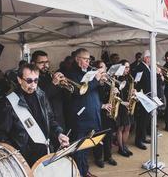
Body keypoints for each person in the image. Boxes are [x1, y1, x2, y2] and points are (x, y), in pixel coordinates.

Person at [0, 63, 69, 166]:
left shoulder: (41, 95)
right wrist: (15, 156)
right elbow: (0, 134)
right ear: (19, 80)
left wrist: (59, 133)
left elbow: (50, 120)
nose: (33, 85)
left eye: (36, 80)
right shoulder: (8, 102)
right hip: (24, 158)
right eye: (29, 81)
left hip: (45, 152)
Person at [66, 48, 103, 177]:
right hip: (81, 118)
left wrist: (102, 82)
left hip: (92, 115)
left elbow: (94, 91)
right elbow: (79, 91)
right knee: (79, 150)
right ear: (77, 59)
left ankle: (85, 170)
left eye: (89, 60)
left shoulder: (89, 72)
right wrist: (96, 80)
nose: (88, 62)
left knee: (87, 148)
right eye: (85, 59)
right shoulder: (71, 73)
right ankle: (79, 173)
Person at [31, 50, 66, 131]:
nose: (45, 65)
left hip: (59, 119)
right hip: (44, 122)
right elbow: (39, 98)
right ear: (33, 63)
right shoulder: (31, 80)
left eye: (47, 62)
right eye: (41, 63)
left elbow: (63, 98)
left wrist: (64, 85)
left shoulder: (51, 76)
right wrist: (53, 84)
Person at [92, 60, 117, 168]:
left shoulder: (108, 81)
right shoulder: (94, 82)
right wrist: (103, 105)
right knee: (98, 137)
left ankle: (108, 156)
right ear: (97, 70)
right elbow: (92, 99)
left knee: (109, 136)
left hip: (108, 113)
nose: (105, 70)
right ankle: (98, 158)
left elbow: (109, 95)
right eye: (102, 67)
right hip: (98, 113)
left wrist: (114, 91)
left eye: (105, 67)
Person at [133, 50, 152, 150]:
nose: (150, 59)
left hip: (148, 96)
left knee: (146, 119)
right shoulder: (140, 67)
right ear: (145, 58)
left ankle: (143, 137)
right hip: (143, 96)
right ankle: (138, 140)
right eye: (149, 57)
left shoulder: (147, 66)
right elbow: (137, 82)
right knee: (141, 120)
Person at [116, 60, 134, 157]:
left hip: (128, 105)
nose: (128, 69)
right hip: (121, 106)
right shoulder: (116, 78)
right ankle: (120, 148)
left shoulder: (129, 78)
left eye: (128, 67)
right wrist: (122, 102)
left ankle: (125, 145)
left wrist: (133, 92)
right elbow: (114, 95)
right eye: (126, 67)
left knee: (128, 127)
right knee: (120, 128)